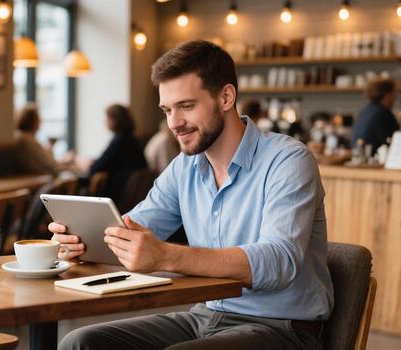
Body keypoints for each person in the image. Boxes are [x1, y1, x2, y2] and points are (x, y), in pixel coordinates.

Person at [52, 40, 333, 350]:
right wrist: (81, 243)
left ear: (226, 97)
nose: (174, 123)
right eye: (167, 110)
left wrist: (167, 255)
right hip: (206, 315)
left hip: (282, 328)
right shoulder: (184, 167)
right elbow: (132, 230)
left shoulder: (288, 160)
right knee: (81, 342)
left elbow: (279, 262)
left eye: (186, 106)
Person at [88, 104, 147, 204]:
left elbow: (95, 168)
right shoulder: (133, 139)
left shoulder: (119, 141)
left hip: (116, 197)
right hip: (130, 196)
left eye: (107, 118)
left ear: (115, 120)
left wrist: (87, 164)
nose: (105, 122)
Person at [350, 78, 400, 153]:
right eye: (394, 93)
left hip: (359, 156)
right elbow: (396, 141)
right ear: (387, 95)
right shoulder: (383, 113)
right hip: (375, 159)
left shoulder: (365, 110)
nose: (396, 97)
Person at [13, 103, 62, 175]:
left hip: (36, 174)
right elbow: (50, 166)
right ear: (34, 121)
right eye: (38, 118)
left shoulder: (22, 136)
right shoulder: (27, 140)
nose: (40, 122)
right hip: (36, 176)